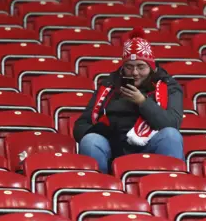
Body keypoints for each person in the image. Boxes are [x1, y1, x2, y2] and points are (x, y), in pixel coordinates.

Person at [73, 28, 184, 174]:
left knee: (171, 135)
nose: (135, 73)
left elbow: (172, 123)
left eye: (141, 67)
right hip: (114, 146)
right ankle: (101, 189)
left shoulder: (168, 85)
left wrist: (143, 102)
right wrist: (101, 130)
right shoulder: (109, 85)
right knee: (91, 141)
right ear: (122, 67)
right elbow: (80, 126)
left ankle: (172, 185)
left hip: (150, 143)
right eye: (129, 67)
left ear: (151, 67)